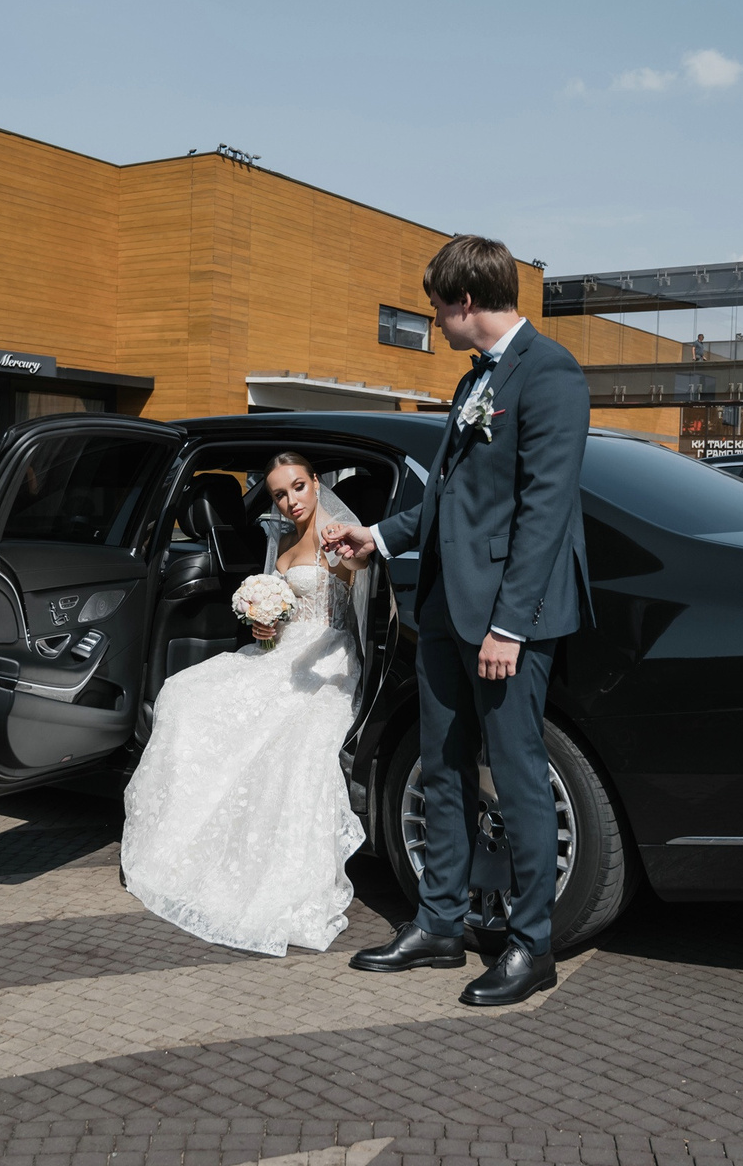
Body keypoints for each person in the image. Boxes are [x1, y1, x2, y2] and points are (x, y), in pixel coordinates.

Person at [324, 234, 591, 1007]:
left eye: (438, 309)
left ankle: (532, 944)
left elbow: (545, 511)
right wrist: (377, 536)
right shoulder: (476, 378)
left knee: (517, 772)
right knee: (441, 764)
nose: (435, 322)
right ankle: (439, 923)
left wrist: (510, 625)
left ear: (466, 302)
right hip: (444, 608)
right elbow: (449, 497)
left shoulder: (552, 373)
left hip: (508, 618)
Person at [120, 452, 373, 956]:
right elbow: (280, 612)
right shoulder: (281, 540)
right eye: (279, 494)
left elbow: (357, 570)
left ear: (315, 482)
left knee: (287, 735)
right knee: (185, 696)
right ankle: (183, 842)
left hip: (326, 655)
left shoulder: (339, 535)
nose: (290, 501)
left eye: (298, 487)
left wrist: (347, 555)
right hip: (279, 652)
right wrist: (264, 624)